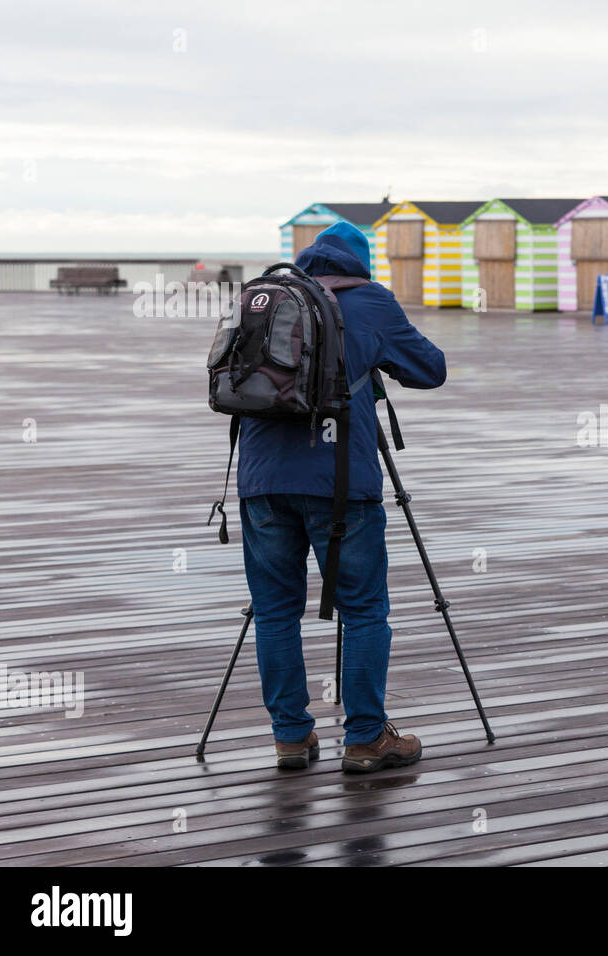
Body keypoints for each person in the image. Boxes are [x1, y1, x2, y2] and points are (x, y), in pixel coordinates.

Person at [236, 220, 446, 772]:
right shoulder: (371, 302)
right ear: (360, 264)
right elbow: (431, 370)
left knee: (275, 612)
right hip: (341, 485)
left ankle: (290, 737)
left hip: (261, 481)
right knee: (365, 610)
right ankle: (365, 739)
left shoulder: (270, 301)